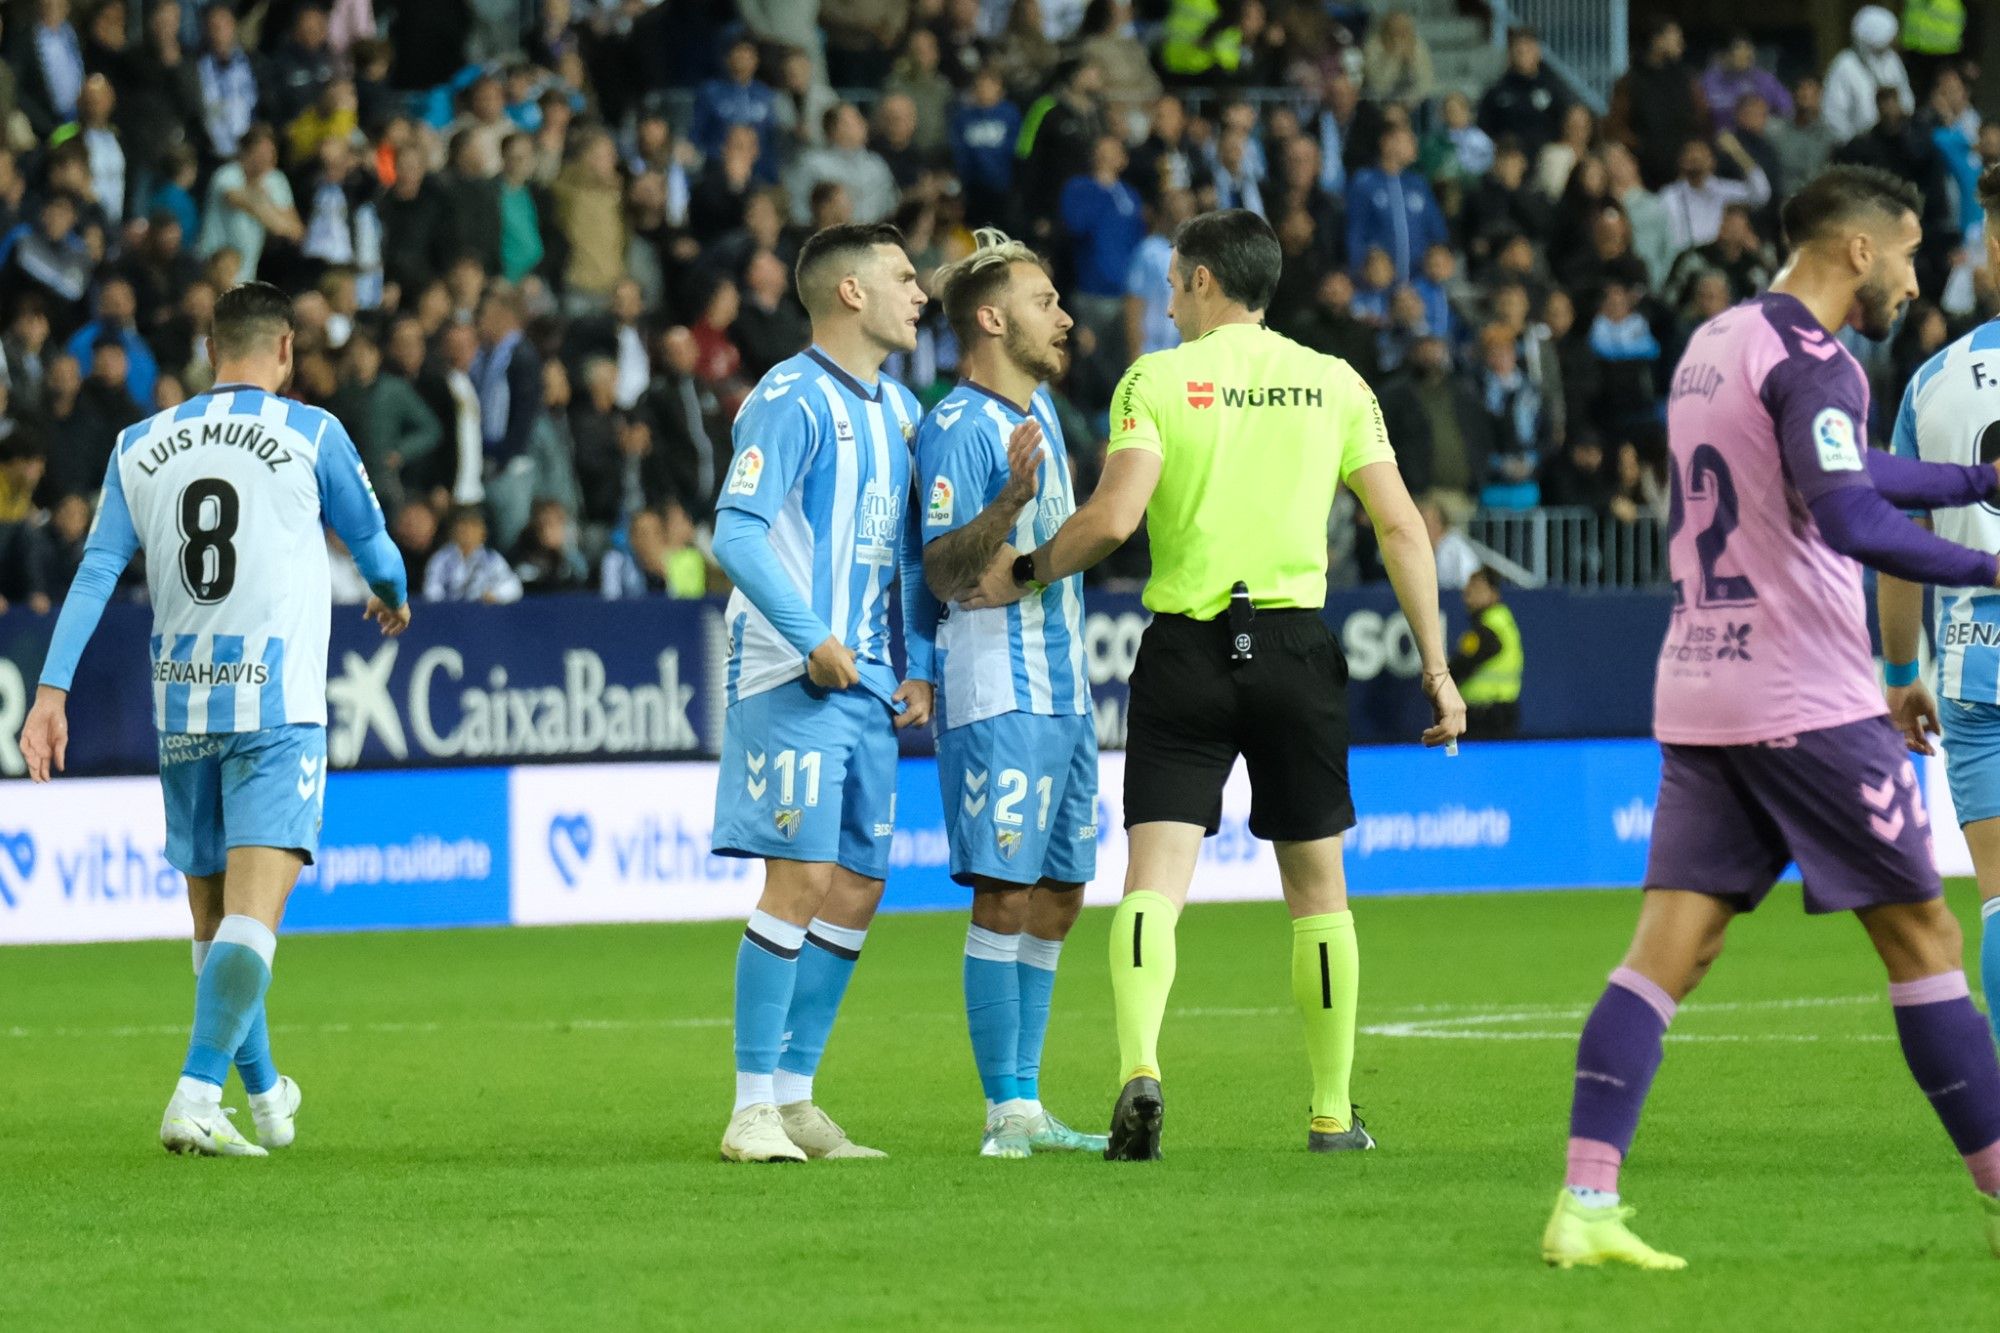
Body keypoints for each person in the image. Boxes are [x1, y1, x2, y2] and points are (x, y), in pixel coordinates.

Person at [1540, 166, 2000, 1271]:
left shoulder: (1719, 340)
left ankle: (1583, 1201)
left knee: (1668, 952)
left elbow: (1836, 465)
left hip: (1701, 688)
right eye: (1903, 253)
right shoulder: (1818, 359)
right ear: (1855, 250)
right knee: (1925, 937)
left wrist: (1960, 481)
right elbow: (1846, 512)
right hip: (1804, 696)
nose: (1911, 275)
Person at [961, 209, 1466, 1158]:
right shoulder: (1335, 381)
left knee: (1154, 883)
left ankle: (1140, 1070)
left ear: (1199, 280)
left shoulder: (1156, 379)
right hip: (1294, 646)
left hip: (1188, 649)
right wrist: (1437, 667)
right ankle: (1328, 1112)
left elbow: (1113, 519)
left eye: (1172, 284)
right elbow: (1403, 529)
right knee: (1320, 893)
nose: (1164, 302)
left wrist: (1024, 570)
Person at [15, 281, 410, 1157]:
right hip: (275, 706)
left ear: (207, 353)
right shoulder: (311, 431)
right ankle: (196, 1092)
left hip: (183, 705)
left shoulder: (139, 443)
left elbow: (93, 575)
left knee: (216, 925)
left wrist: (51, 693)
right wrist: (392, 597)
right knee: (254, 920)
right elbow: (376, 548)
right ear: (284, 353)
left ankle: (265, 1097)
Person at [709, 222, 935, 1164]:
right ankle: (749, 1104)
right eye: (905, 276)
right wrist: (814, 640)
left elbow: (911, 555)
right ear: (851, 293)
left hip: (872, 676)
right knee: (797, 878)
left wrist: (914, 656)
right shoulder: (790, 396)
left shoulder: (905, 410)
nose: (921, 293)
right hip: (790, 666)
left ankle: (797, 1097)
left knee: (857, 883)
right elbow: (737, 531)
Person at [913, 229, 1107, 1160]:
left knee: (1063, 892)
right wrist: (1006, 502)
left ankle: (1028, 1100)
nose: (1063, 316)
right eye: (1044, 301)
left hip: (1066, 688)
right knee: (1004, 889)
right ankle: (1005, 1110)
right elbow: (945, 569)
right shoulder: (958, 424)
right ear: (992, 319)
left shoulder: (1046, 417)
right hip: (996, 689)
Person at [1879, 164, 2000, 1057]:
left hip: (1971, 661)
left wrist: (1897, 671)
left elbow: (1896, 545)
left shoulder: (1932, 382)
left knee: (1999, 894)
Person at [1450, 567, 1522, 738]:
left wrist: (1443, 675)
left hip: (1489, 716)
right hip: (1497, 712)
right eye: (1469, 587)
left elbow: (1465, 661)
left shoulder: (1489, 627)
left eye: (1477, 588)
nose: (1469, 593)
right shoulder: (1501, 621)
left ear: (1493, 594)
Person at [423, 504, 523, 603]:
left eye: (473, 526)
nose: (468, 532)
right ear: (453, 530)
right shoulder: (441, 559)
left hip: (480, 614)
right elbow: (431, 591)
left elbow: (514, 587)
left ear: (483, 532)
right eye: (463, 526)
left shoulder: (492, 559)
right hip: (449, 614)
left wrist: (495, 595)